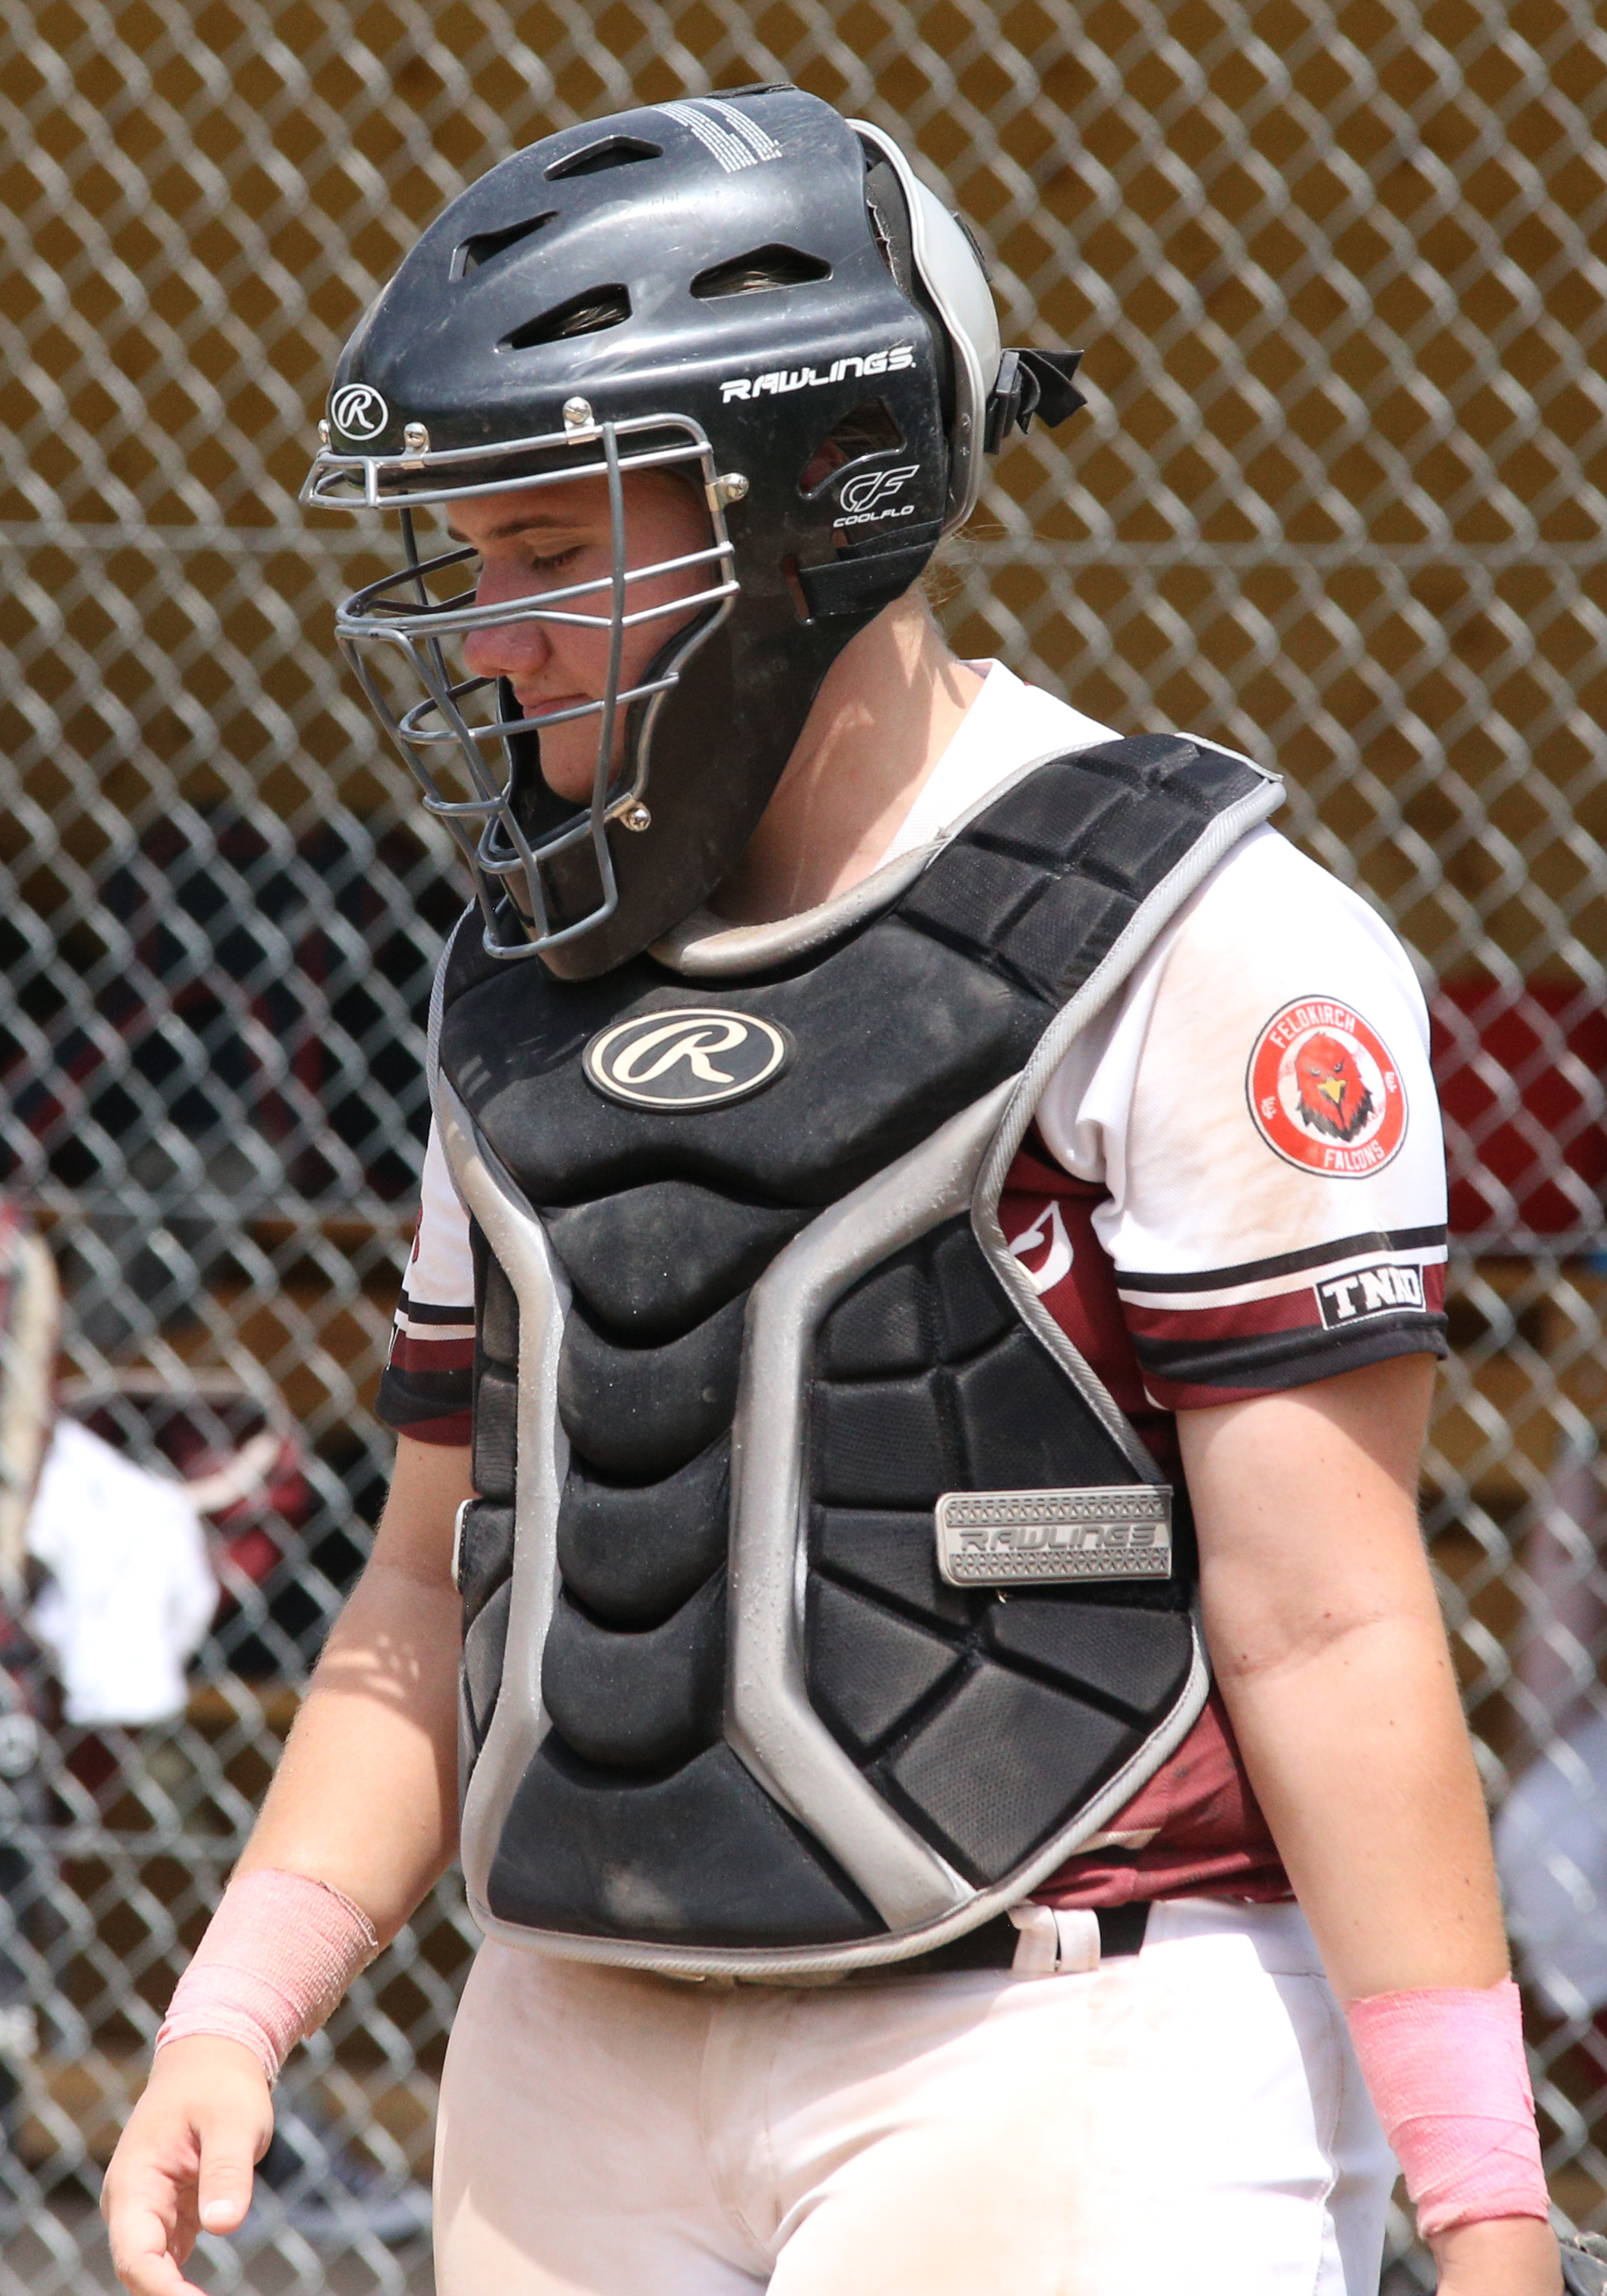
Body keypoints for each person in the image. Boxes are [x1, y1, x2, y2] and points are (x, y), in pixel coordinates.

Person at [103, 85, 1562, 2296]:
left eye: (548, 554)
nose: (484, 638)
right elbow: (425, 1578)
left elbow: (1334, 1622)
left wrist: (1484, 2202)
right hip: (571, 2046)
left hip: (1065, 2043)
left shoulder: (1194, 934)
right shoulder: (521, 974)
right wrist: (233, 2012)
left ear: (819, 509)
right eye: (471, 563)